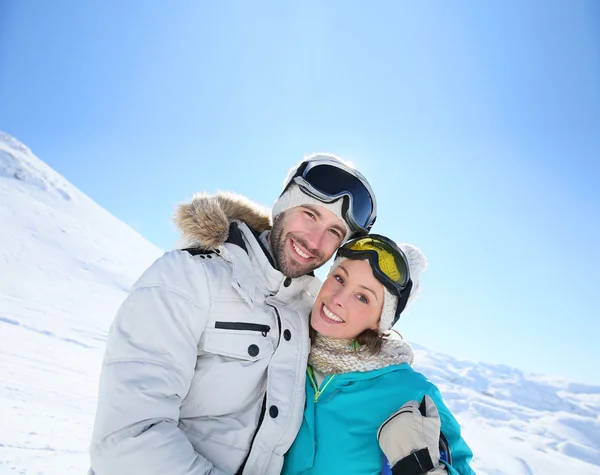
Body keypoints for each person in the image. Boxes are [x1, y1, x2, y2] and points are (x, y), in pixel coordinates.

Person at [88, 153, 377, 475]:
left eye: (334, 232)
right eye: (309, 214)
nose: (314, 241)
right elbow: (127, 439)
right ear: (282, 207)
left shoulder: (306, 310)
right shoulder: (188, 276)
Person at [281, 235, 475, 475]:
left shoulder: (410, 391)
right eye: (339, 278)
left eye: (362, 297)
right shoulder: (283, 350)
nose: (338, 299)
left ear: (379, 321)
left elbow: (462, 467)